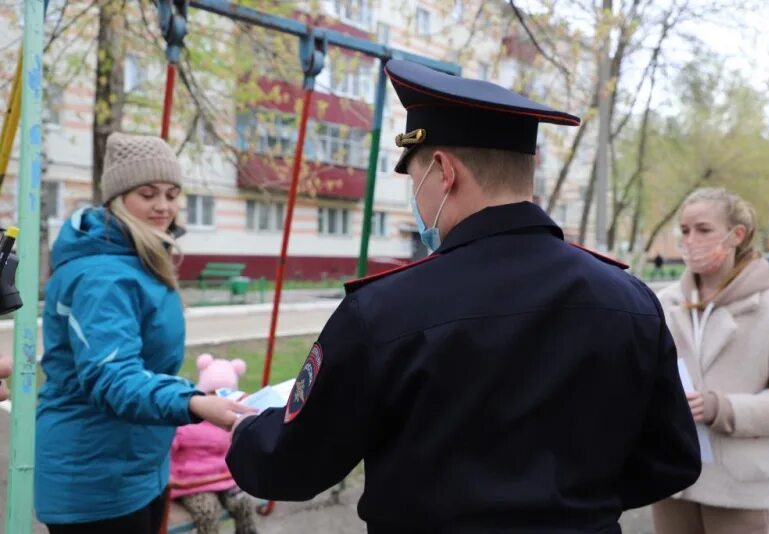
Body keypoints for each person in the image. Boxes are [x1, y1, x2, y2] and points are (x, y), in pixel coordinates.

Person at [227, 60, 701, 533]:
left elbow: (288, 466)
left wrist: (244, 429)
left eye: (414, 179)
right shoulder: (631, 300)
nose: (416, 195)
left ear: (442, 170)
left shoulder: (384, 311)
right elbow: (672, 459)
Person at [35, 133, 253, 534]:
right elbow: (112, 375)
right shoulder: (102, 275)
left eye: (172, 194)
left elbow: (144, 365)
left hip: (137, 461)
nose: (163, 206)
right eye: (148, 193)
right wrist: (193, 403)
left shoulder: (138, 257)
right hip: (95, 476)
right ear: (119, 198)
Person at [652, 187, 769, 534]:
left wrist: (723, 409)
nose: (690, 240)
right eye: (685, 231)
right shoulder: (664, 303)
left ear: (737, 235)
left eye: (703, 230)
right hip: (673, 481)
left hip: (741, 489)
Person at [170, 354, 258, 534]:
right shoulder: (187, 421)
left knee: (244, 504)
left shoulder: (232, 420)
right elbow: (168, 449)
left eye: (224, 394)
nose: (217, 402)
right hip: (192, 482)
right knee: (208, 511)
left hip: (223, 477)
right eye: (212, 394)